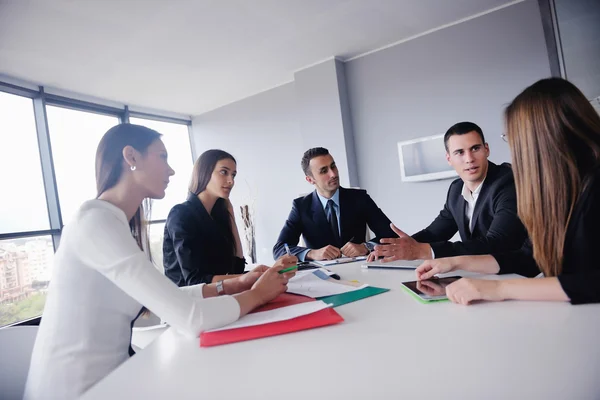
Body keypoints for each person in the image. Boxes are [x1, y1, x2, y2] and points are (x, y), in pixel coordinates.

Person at [24, 124, 297, 400]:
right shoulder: (94, 222)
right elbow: (191, 318)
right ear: (131, 157)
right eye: (162, 157)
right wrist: (258, 294)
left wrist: (236, 284)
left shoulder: (114, 224)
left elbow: (162, 301)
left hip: (118, 379)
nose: (172, 170)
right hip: (79, 390)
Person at [415, 78, 600, 305]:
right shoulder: (562, 190)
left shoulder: (591, 185)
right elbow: (528, 258)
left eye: (514, 138)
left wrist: (500, 288)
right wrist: (454, 263)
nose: (515, 148)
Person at [369, 122, 527, 262]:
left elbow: (498, 243)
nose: (469, 159)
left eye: (475, 148)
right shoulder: (456, 189)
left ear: (486, 150)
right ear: (449, 159)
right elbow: (434, 233)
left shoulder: (508, 182)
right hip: (478, 276)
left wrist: (426, 251)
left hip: (516, 276)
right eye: (459, 152)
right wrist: (396, 248)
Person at [273, 147, 396, 261]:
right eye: (324, 171)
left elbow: (392, 236)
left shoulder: (360, 198)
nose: (333, 174)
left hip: (360, 270)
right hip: (322, 277)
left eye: (333, 166)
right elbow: (279, 249)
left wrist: (366, 247)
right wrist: (312, 253)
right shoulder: (301, 207)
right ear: (310, 179)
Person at [163, 149, 251, 286]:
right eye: (224, 172)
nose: (231, 181)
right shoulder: (181, 214)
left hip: (215, 297)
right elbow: (194, 280)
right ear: (204, 172)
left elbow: (237, 268)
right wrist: (250, 277)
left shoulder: (218, 216)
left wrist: (230, 213)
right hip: (185, 300)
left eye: (233, 175)